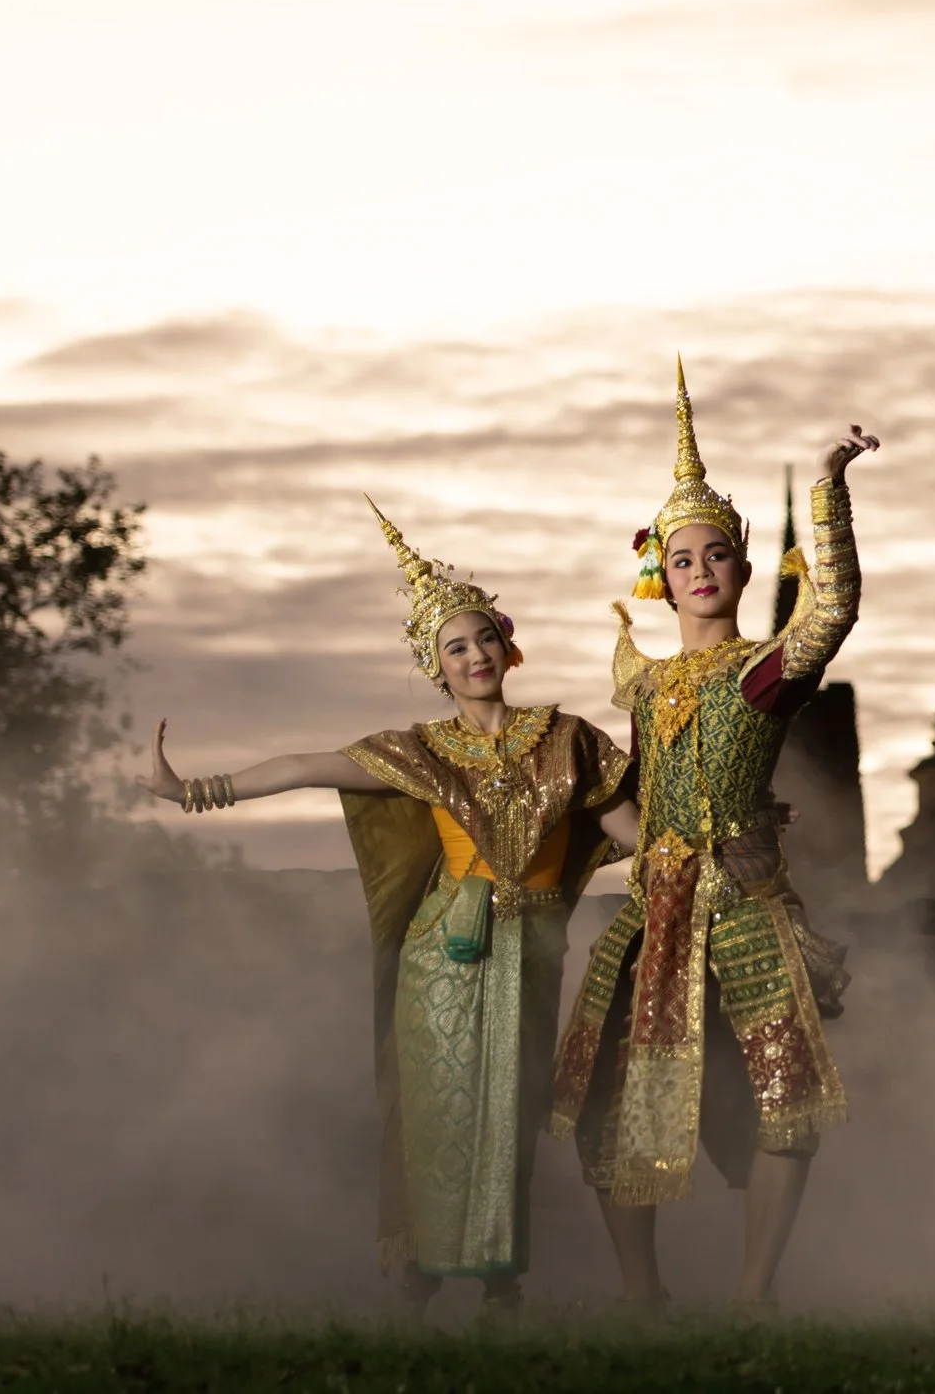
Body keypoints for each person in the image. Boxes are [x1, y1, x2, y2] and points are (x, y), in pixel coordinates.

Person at [142, 502, 636, 1317]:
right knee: (437, 1110)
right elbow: (308, 764)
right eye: (455, 646)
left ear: (509, 645)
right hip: (444, 950)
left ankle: (500, 1288)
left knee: (509, 1113)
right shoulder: (421, 750)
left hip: (532, 948)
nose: (474, 654)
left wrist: (721, 830)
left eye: (484, 638)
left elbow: (636, 833)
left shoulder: (570, 739)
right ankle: (418, 1282)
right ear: (434, 664)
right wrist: (189, 790)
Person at [550, 362, 875, 1311]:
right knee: (611, 1106)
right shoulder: (644, 686)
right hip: (654, 915)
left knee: (784, 1095)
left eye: (717, 556)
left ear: (741, 567)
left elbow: (837, 607)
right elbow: (622, 798)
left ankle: (753, 1291)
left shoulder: (764, 673)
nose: (700, 571)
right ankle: (641, 1292)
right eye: (682, 558)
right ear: (661, 575)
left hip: (742, 910)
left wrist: (828, 487)